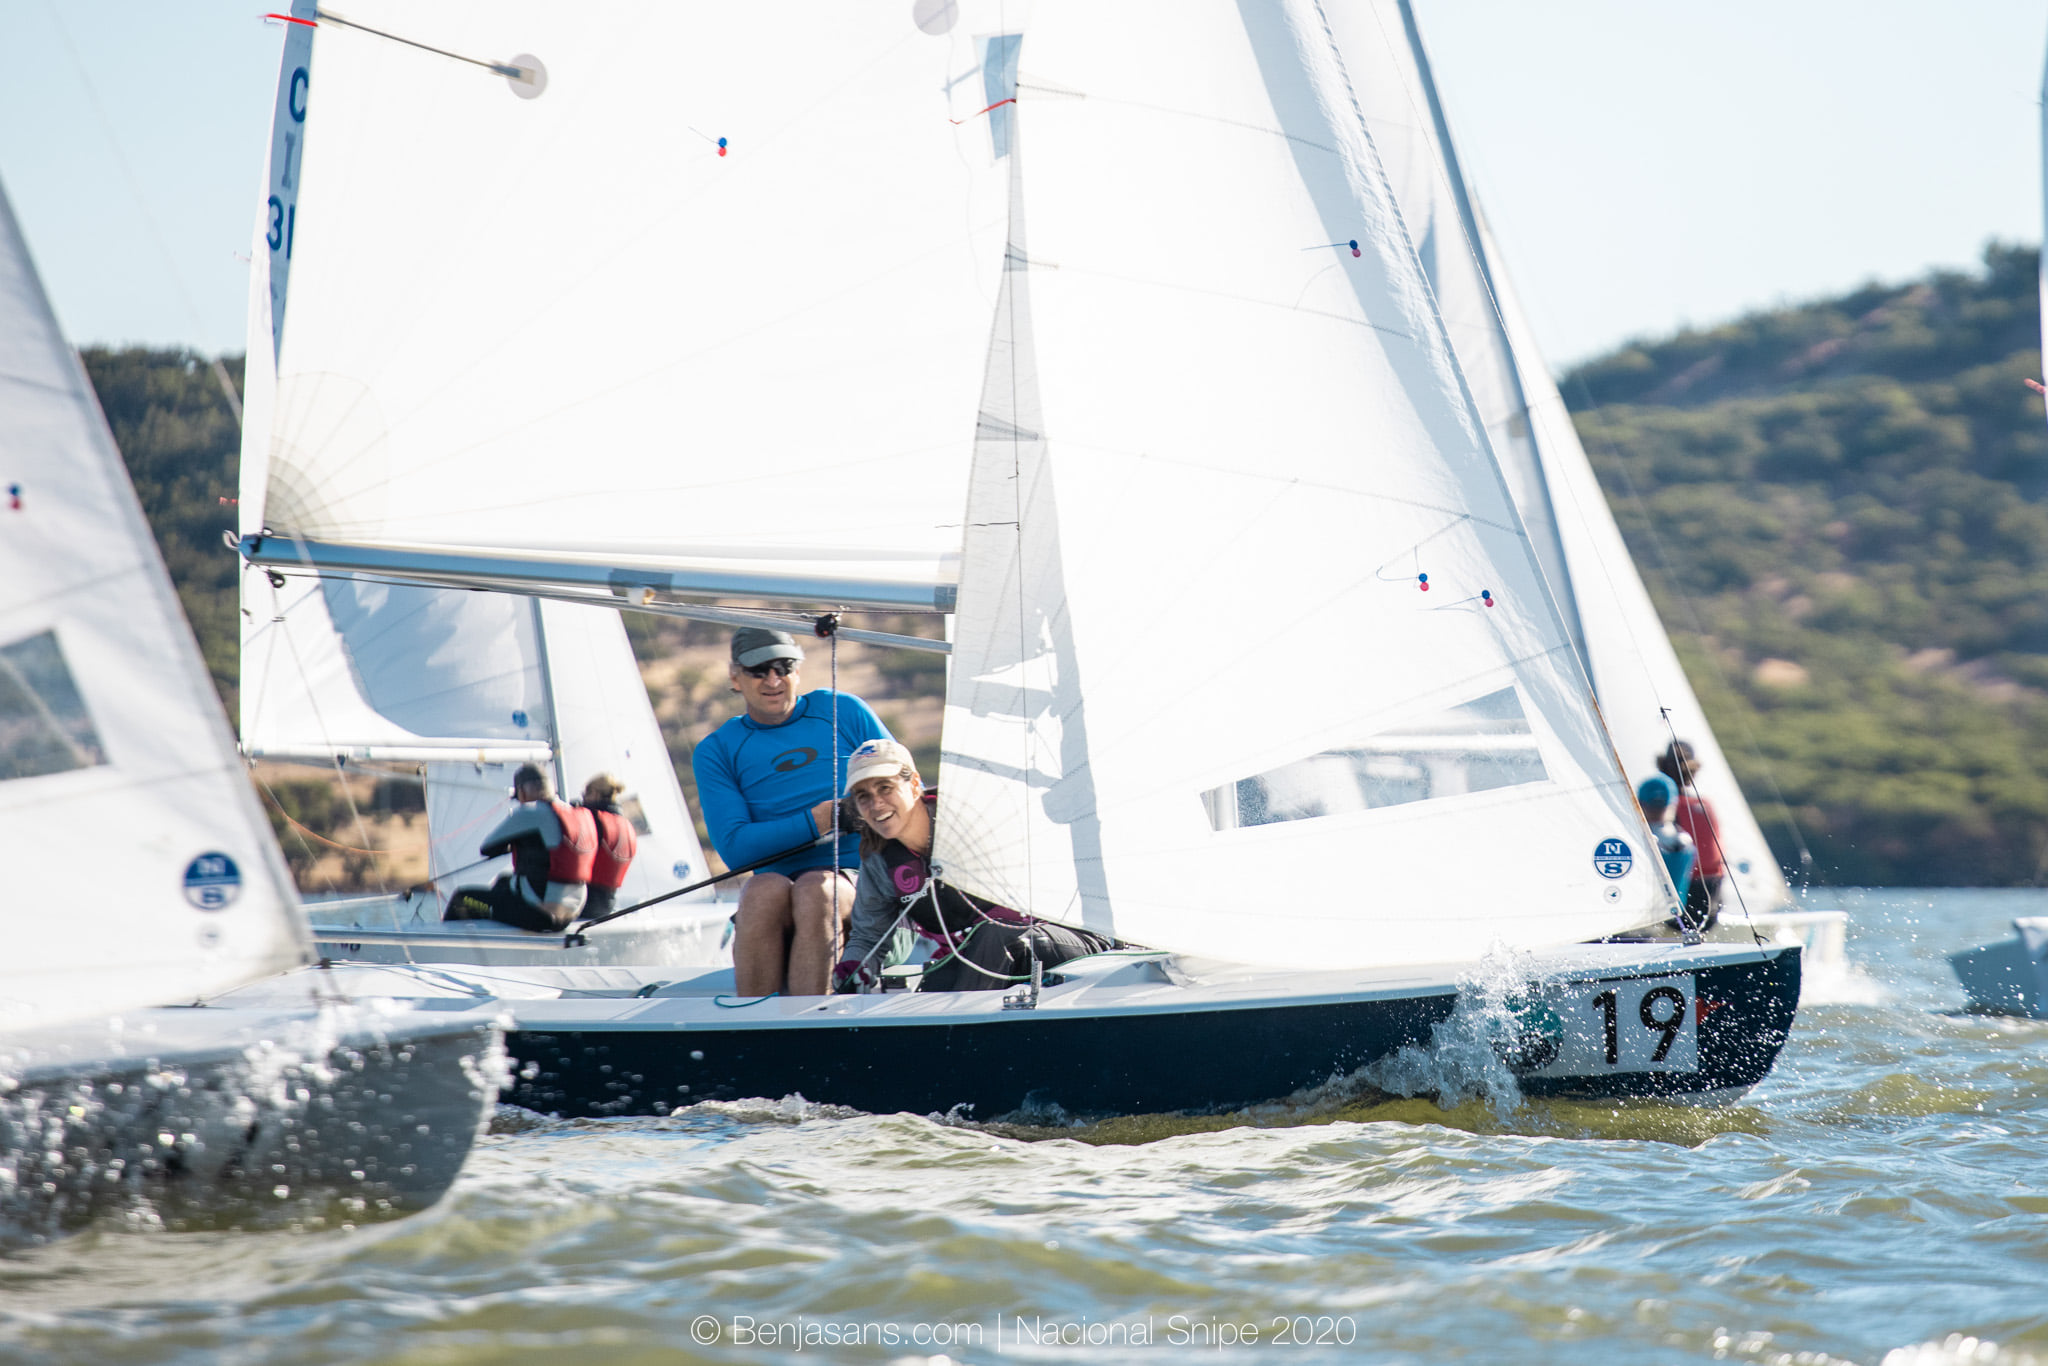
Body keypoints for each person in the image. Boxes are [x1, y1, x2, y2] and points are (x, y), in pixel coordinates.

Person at [833, 738, 1119, 994]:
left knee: (994, 936)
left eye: (885, 788)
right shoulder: (878, 858)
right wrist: (855, 967)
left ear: (915, 784)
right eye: (863, 796)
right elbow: (869, 937)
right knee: (936, 987)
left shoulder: (972, 816)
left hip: (1071, 939)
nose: (876, 804)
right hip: (978, 958)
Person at [693, 627, 890, 996]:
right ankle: (756, 1024)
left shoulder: (844, 710)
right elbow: (736, 849)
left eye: (783, 667)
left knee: (816, 891)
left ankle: (813, 1021)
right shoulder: (717, 750)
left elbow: (905, 795)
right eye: (759, 670)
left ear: (797, 672)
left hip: (866, 885)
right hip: (778, 893)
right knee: (761, 890)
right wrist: (822, 819)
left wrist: (870, 807)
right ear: (735, 678)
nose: (773, 680)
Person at [444, 762, 595, 931]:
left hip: (538, 914)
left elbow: (487, 847)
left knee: (463, 899)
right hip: (571, 913)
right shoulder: (577, 813)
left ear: (522, 791)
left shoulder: (531, 810)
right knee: (504, 882)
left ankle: (445, 944)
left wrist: (514, 843)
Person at [1657, 740, 1722, 931]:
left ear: (1662, 767)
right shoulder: (1705, 804)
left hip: (1677, 902)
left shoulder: (1660, 808)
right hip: (1710, 902)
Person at [1636, 773, 1699, 927]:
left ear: (1639, 804)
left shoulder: (1636, 837)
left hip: (1642, 919)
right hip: (1672, 918)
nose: (1655, 810)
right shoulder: (1684, 839)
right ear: (1673, 805)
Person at [577, 772, 638, 922]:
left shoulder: (592, 820)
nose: (583, 798)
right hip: (607, 905)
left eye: (585, 794)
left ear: (595, 794)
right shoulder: (625, 824)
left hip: (583, 904)